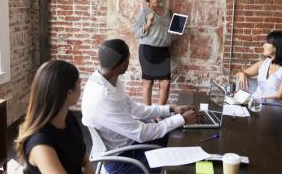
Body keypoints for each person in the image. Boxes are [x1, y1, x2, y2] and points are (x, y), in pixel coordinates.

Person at [81, 39, 196, 174]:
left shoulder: (106, 79)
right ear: (123, 64)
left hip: (128, 144)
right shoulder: (103, 98)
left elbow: (134, 108)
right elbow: (141, 133)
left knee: (171, 133)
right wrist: (180, 119)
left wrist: (170, 109)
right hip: (122, 159)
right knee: (175, 155)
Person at [15, 60, 93, 174]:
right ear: (69, 93)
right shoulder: (40, 144)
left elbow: (85, 161)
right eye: (78, 83)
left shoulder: (68, 117)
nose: (81, 87)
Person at [134, 0, 174, 105]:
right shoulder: (144, 12)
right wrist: (148, 24)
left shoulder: (168, 12)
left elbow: (171, 34)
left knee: (166, 83)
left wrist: (177, 32)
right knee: (148, 82)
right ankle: (149, 114)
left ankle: (160, 112)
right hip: (148, 51)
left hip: (163, 51)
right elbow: (136, 33)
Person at [237, 30, 282, 100]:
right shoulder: (263, 63)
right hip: (255, 104)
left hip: (273, 107)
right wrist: (242, 74)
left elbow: (280, 97)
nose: (263, 45)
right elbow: (240, 73)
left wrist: (254, 99)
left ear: (277, 47)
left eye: (268, 43)